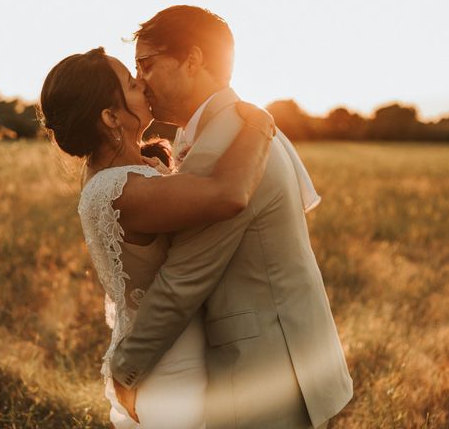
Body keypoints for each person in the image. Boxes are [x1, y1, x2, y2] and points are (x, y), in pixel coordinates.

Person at [109, 5, 353, 429]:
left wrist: (126, 367)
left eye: (146, 65)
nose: (141, 80)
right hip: (290, 356)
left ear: (193, 59)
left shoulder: (225, 140)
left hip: (268, 369)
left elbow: (185, 277)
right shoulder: (222, 127)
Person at [37, 46, 276, 428]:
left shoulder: (113, 172)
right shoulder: (125, 189)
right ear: (110, 116)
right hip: (170, 360)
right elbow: (228, 195)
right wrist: (261, 124)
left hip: (153, 348)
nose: (144, 85)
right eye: (132, 84)